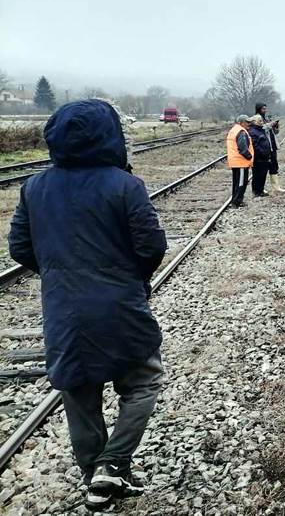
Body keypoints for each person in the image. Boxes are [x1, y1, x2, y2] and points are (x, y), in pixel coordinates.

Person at [8, 99, 167, 511]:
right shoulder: (125, 185)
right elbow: (152, 245)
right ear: (110, 135)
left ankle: (92, 473)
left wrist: (60, 273)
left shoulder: (35, 187)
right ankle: (112, 465)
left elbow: (20, 247)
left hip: (63, 307)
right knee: (144, 380)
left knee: (77, 389)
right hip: (120, 304)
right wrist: (129, 276)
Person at [255, 102, 285, 192]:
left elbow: (275, 132)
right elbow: (260, 129)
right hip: (264, 148)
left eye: (265, 108)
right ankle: (260, 188)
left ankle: (276, 187)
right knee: (263, 168)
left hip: (272, 146)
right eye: (263, 109)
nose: (265, 110)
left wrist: (276, 127)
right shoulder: (256, 118)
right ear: (258, 109)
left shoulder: (266, 119)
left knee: (274, 166)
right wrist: (270, 125)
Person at [226, 115, 254, 208]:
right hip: (241, 162)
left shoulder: (234, 130)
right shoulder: (241, 132)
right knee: (241, 183)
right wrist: (249, 157)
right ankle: (237, 202)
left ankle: (235, 200)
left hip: (235, 161)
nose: (248, 124)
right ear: (241, 123)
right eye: (247, 122)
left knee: (236, 182)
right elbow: (243, 148)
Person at [247, 114, 272, 197]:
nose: (262, 122)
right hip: (259, 158)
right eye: (260, 121)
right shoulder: (253, 131)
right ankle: (257, 191)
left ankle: (260, 190)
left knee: (262, 175)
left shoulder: (260, 130)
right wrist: (262, 153)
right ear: (254, 122)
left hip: (264, 157)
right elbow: (254, 146)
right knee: (258, 175)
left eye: (262, 120)